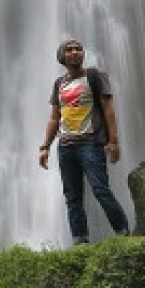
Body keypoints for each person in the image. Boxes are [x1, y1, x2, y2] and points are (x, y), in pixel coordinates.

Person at [37, 38, 130, 244]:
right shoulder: (58, 84)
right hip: (65, 147)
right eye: (69, 50)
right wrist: (45, 147)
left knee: (101, 190)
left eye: (78, 49)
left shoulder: (95, 76)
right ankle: (80, 241)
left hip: (91, 144)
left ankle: (123, 231)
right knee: (72, 197)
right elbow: (54, 117)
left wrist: (113, 142)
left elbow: (108, 109)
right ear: (62, 56)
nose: (75, 52)